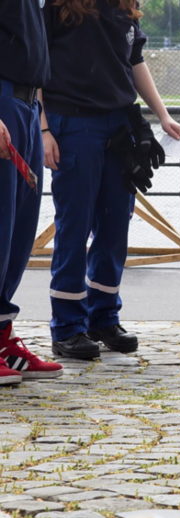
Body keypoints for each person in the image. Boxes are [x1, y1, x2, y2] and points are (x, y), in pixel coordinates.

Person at [40, 0, 180, 360]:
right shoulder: (57, 6)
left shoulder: (126, 6)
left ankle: (103, 317)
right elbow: (36, 67)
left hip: (119, 126)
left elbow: (135, 61)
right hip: (72, 123)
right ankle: (67, 327)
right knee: (74, 225)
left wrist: (162, 115)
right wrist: (42, 129)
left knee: (116, 225)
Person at [0, 1, 64, 385]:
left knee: (17, 233)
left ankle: (3, 339)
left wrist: (38, 119)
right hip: (3, 98)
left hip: (25, 102)